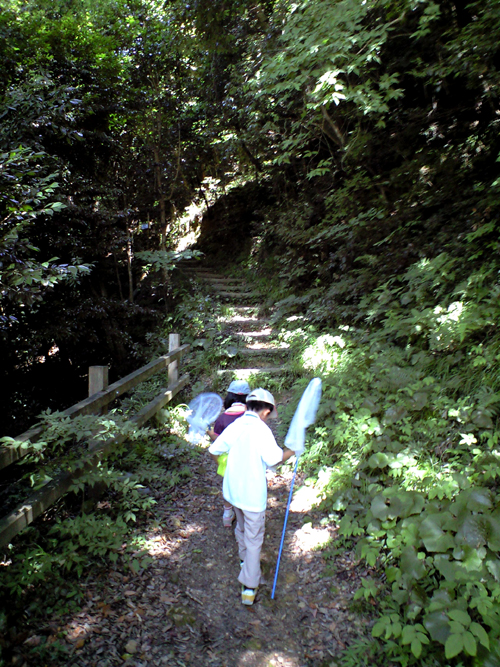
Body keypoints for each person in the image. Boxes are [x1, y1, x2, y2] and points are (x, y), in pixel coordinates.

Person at [208, 388, 295, 606]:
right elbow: (275, 459)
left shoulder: (236, 424)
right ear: (266, 411)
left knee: (242, 528)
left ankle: (243, 560)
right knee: (255, 537)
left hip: (232, 490)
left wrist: (227, 465)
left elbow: (214, 450)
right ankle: (249, 586)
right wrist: (292, 451)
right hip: (252, 495)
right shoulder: (262, 430)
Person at [208, 380, 251, 527]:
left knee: (228, 486)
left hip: (227, 460)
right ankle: (246, 513)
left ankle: (227, 514)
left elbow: (217, 439)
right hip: (247, 458)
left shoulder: (222, 418)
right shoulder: (251, 417)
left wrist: (210, 433)